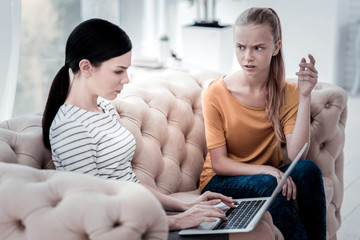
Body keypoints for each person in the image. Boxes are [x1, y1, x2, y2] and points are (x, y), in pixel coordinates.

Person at [41, 18, 237, 232]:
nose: (126, 79)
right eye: (118, 71)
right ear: (86, 67)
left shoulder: (104, 107)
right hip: (125, 229)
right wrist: (176, 221)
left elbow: (128, 181)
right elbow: (91, 208)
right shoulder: (70, 128)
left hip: (142, 214)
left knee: (255, 220)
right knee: (254, 232)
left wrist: (186, 205)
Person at [199, 7, 326, 240]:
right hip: (221, 181)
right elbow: (219, 163)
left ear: (276, 47)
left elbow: (298, 154)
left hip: (267, 176)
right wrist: (267, 170)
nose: (247, 57)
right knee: (268, 183)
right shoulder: (215, 93)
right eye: (241, 47)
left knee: (308, 171)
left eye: (258, 48)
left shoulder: (288, 93)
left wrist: (305, 95)